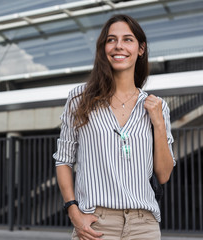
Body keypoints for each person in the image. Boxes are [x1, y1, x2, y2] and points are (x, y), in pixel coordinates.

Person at [53, 14, 175, 240]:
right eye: (111, 40)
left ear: (141, 49)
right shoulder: (79, 99)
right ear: (103, 48)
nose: (119, 46)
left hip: (144, 225)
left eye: (128, 39)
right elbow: (63, 160)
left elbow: (164, 174)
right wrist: (73, 211)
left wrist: (157, 122)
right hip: (96, 224)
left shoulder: (157, 107)